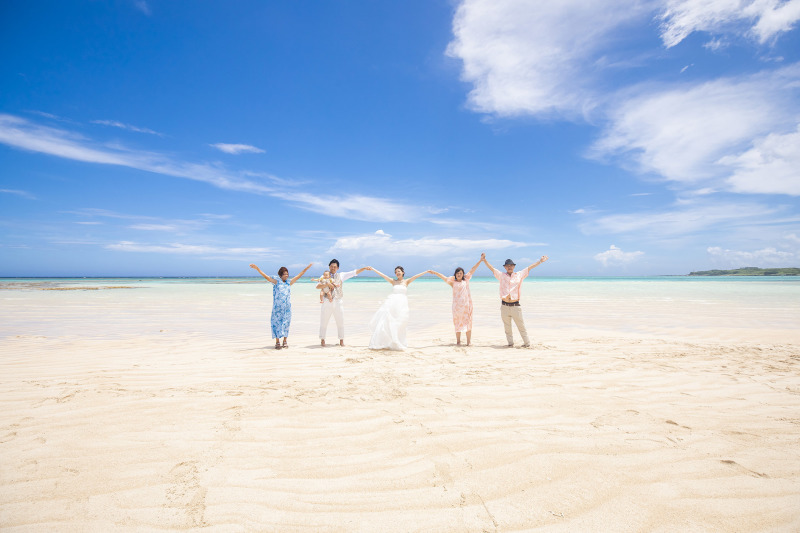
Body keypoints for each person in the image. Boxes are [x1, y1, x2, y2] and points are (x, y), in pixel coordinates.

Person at [482, 253, 549, 347]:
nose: (509, 267)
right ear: (505, 267)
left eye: (511, 265)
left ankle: (527, 343)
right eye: (507, 265)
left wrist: (540, 261)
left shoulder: (519, 275)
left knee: (521, 326)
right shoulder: (501, 275)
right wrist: (484, 260)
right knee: (507, 327)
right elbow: (492, 268)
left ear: (513, 266)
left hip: (515, 306)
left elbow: (529, 267)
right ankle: (510, 344)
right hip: (504, 306)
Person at [250, 262, 312, 350]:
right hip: (277, 309)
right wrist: (257, 269)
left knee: (286, 324)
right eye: (284, 274)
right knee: (276, 324)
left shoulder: (289, 283)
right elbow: (266, 277)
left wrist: (307, 268)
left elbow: (299, 275)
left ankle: (285, 341)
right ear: (280, 275)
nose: (286, 276)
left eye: (287, 274)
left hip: (287, 308)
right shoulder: (276, 282)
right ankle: (277, 342)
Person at [366, 266, 427, 351]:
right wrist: (373, 269)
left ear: (403, 272)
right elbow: (382, 275)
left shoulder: (406, 281)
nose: (397, 273)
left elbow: (416, 276)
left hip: (402, 306)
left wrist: (426, 272)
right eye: (396, 272)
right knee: (390, 323)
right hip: (392, 305)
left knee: (401, 324)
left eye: (399, 271)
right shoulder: (393, 281)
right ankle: (391, 341)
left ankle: (398, 341)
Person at [428, 256, 483, 346]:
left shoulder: (466, 281)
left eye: (460, 273)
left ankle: (468, 342)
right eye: (457, 273)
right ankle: (458, 342)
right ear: (455, 274)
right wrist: (434, 272)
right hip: (457, 308)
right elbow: (443, 277)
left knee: (468, 324)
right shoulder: (452, 283)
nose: (459, 274)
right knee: (457, 324)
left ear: (463, 274)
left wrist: (480, 260)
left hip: (466, 307)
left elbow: (473, 269)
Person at [319, 259, 369, 347]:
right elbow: (318, 286)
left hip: (338, 301)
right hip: (327, 301)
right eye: (331, 266)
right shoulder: (324, 276)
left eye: (335, 267)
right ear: (329, 267)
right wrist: (327, 284)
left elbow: (354, 272)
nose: (333, 268)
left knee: (340, 321)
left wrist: (364, 268)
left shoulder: (341, 275)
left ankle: (341, 340)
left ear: (337, 268)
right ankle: (322, 339)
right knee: (324, 321)